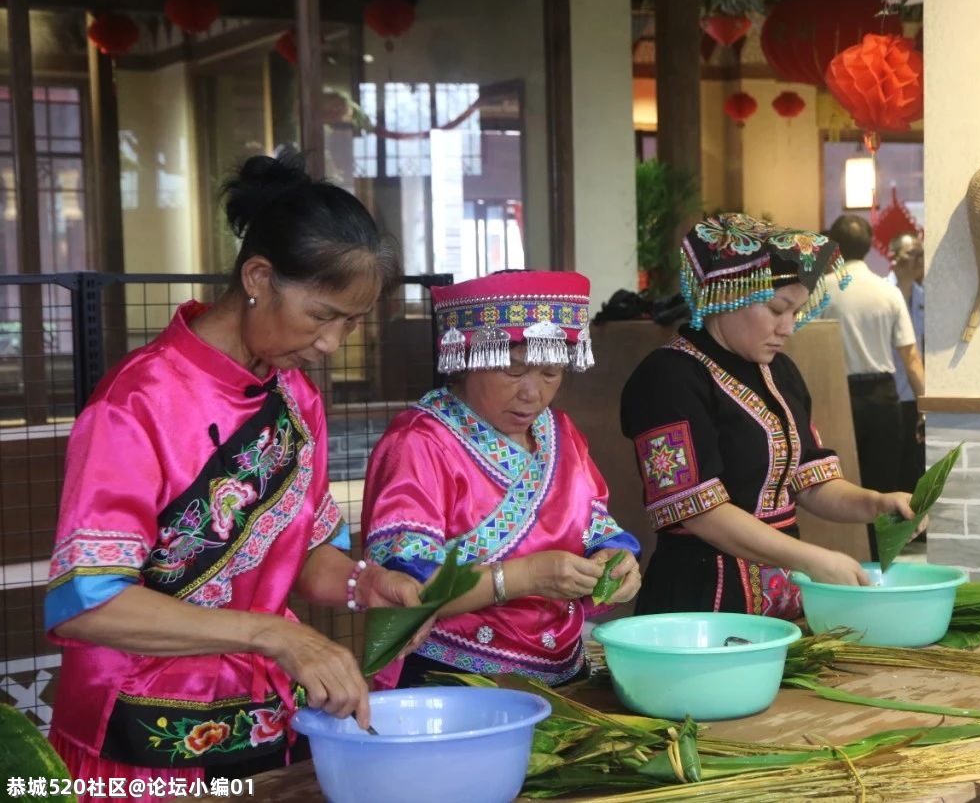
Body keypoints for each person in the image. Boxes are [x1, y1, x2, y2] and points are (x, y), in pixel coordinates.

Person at [43, 155, 432, 798]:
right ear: (258, 277)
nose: (333, 343)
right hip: (137, 741)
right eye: (322, 315)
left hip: (257, 728)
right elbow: (89, 602)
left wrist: (370, 584)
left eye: (352, 322)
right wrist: (273, 633)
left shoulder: (295, 398)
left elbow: (306, 552)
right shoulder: (136, 402)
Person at [618, 213, 918, 617]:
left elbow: (811, 480)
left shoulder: (780, 373)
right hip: (702, 602)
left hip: (782, 599)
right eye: (777, 309)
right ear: (728, 295)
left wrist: (877, 503)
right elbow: (700, 512)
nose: (788, 327)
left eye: (794, 311)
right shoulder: (668, 378)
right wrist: (811, 558)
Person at [363, 270, 642, 687]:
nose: (534, 393)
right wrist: (528, 577)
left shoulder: (559, 430)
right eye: (514, 371)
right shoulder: (419, 443)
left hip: (566, 671)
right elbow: (402, 586)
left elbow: (594, 522)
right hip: (456, 677)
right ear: (468, 361)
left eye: (550, 373)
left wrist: (615, 560)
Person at [823, 214, 925, 505]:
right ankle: (880, 548)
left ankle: (848, 546)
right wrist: (924, 407)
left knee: (841, 481)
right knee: (882, 484)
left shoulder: (821, 292)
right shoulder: (888, 292)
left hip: (837, 395)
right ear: (869, 245)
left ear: (834, 246)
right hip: (883, 396)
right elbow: (912, 358)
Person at [886, 233, 927, 494]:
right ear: (895, 258)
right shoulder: (882, 293)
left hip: (915, 391)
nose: (920, 261)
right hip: (887, 391)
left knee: (914, 464)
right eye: (914, 254)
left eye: (922, 254)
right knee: (891, 465)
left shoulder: (925, 296)